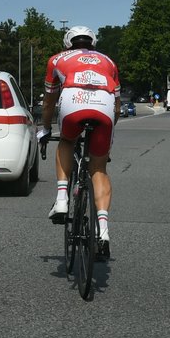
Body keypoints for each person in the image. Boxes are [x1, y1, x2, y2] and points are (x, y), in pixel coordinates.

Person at [38, 25, 121, 259]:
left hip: (73, 98)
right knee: (99, 169)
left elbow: (48, 102)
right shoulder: (109, 61)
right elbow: (117, 107)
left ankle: (62, 199)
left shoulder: (57, 59)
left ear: (68, 43)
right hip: (104, 104)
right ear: (93, 43)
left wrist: (45, 128)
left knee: (65, 141)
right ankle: (103, 231)